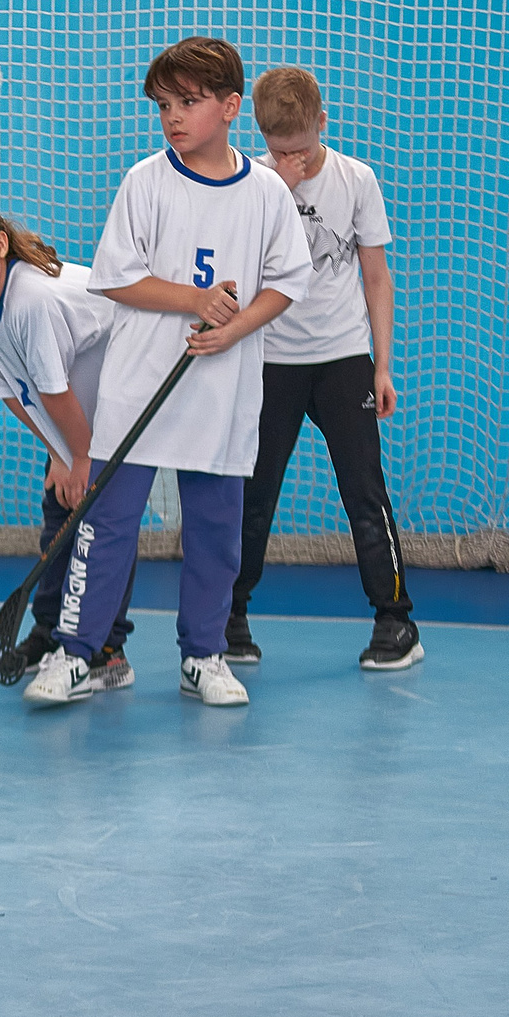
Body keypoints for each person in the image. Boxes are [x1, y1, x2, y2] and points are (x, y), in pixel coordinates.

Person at [26, 37, 310, 711]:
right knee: (106, 525)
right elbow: (119, 278)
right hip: (138, 388)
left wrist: (234, 328)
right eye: (164, 105)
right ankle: (77, 652)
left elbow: (287, 281)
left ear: (231, 106)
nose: (173, 118)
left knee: (215, 528)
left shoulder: (267, 191)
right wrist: (194, 299)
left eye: (189, 102)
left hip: (222, 390)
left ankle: (204, 655)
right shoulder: (146, 180)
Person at [229, 67, 421, 670]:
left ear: (322, 124)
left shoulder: (356, 178)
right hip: (270, 361)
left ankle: (395, 621)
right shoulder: (252, 182)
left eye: (301, 147)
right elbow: (243, 265)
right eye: (278, 148)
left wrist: (382, 367)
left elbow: (375, 276)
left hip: (343, 359)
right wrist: (277, 186)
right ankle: (229, 616)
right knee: (253, 495)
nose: (292, 158)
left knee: (365, 491)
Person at [0, 185, 137, 690]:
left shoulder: (31, 299)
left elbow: (54, 390)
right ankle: (50, 630)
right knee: (60, 513)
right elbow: (11, 390)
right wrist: (59, 455)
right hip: (77, 409)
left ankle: (107, 650)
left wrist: (81, 458)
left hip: (123, 387)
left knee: (100, 523)